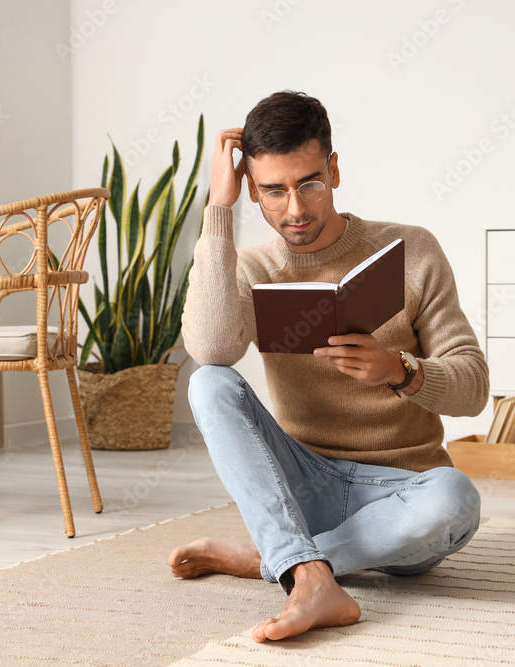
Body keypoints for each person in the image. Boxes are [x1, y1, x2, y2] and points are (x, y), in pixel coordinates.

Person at [168, 91, 489, 643]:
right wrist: (218, 212)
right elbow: (212, 347)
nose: (295, 209)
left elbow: (474, 388)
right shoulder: (253, 266)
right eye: (272, 190)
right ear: (252, 189)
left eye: (309, 183)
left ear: (334, 171)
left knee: (456, 499)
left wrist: (401, 370)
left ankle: (276, 559)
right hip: (303, 483)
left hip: (403, 491)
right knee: (209, 382)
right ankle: (311, 574)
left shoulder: (412, 248)